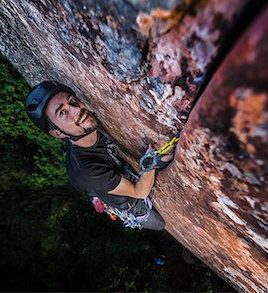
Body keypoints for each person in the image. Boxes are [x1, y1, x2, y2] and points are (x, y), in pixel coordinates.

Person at [25, 81, 173, 231]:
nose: (76, 109)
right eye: (62, 113)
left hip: (98, 179)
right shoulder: (90, 171)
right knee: (160, 225)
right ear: (57, 133)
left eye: (72, 101)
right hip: (123, 197)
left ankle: (97, 196)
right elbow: (139, 192)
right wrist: (150, 164)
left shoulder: (84, 128)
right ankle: (134, 214)